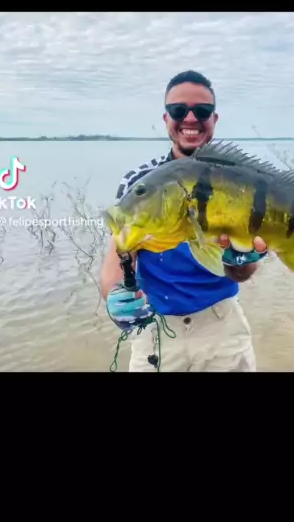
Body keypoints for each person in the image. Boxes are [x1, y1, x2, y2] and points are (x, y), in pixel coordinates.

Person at [100, 70, 268, 372]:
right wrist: (115, 296)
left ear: (214, 118)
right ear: (166, 118)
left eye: (202, 111)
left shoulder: (241, 181)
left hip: (223, 329)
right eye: (178, 110)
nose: (190, 118)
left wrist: (242, 260)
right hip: (156, 332)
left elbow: (241, 274)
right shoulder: (140, 183)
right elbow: (118, 256)